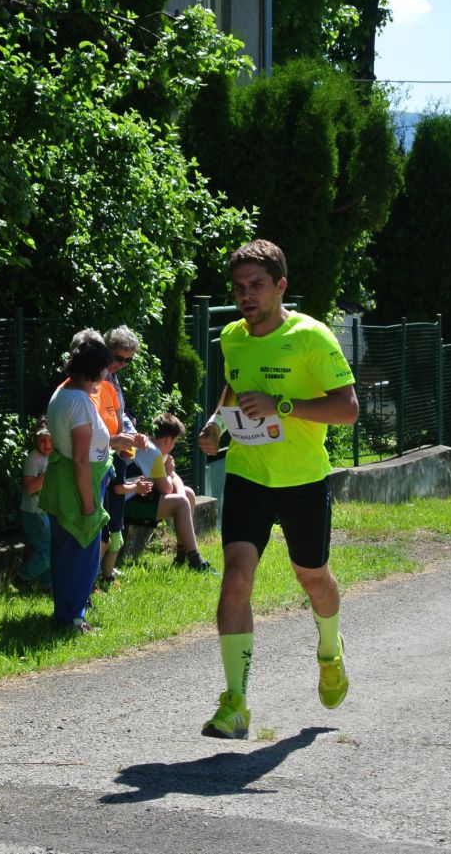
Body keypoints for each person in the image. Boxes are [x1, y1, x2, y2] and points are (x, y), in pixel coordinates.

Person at [196, 239, 359, 739]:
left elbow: (348, 409)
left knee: (313, 578)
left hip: (302, 479)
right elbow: (234, 386)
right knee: (235, 580)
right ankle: (236, 703)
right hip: (248, 475)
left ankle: (330, 650)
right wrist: (216, 424)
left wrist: (282, 406)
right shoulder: (231, 336)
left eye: (257, 286)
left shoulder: (311, 337)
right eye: (239, 287)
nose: (246, 296)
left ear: (280, 286)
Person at [39, 331, 132, 632]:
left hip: (69, 481)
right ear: (95, 369)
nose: (108, 373)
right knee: (79, 555)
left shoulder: (66, 392)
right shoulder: (78, 401)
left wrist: (113, 442)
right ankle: (73, 620)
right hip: (78, 485)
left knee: (68, 553)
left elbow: (85, 447)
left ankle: (68, 616)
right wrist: (89, 505)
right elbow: (80, 458)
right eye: (105, 367)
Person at [125, 413, 212, 572]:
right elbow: (165, 488)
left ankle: (182, 555)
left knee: (188, 494)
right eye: (174, 442)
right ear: (167, 440)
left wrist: (180, 492)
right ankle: (195, 558)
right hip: (127, 503)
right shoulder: (151, 452)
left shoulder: (155, 448)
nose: (173, 446)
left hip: (139, 496)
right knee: (181, 501)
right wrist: (168, 473)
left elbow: (174, 478)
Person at [99, 326, 144, 584]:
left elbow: (119, 413)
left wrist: (131, 435)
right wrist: (118, 437)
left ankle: (104, 571)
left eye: (128, 360)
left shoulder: (113, 377)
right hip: (100, 454)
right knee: (103, 522)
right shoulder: (96, 378)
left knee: (113, 520)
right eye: (118, 358)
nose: (122, 364)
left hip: (115, 453)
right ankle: (94, 574)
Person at [18, 419, 52, 591]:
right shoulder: (33, 459)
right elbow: (30, 487)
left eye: (50, 440)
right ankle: (23, 576)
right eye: (42, 441)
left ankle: (46, 584)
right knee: (48, 550)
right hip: (34, 513)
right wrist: (49, 474)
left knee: (49, 547)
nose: (47, 445)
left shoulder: (53, 456)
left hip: (46, 511)